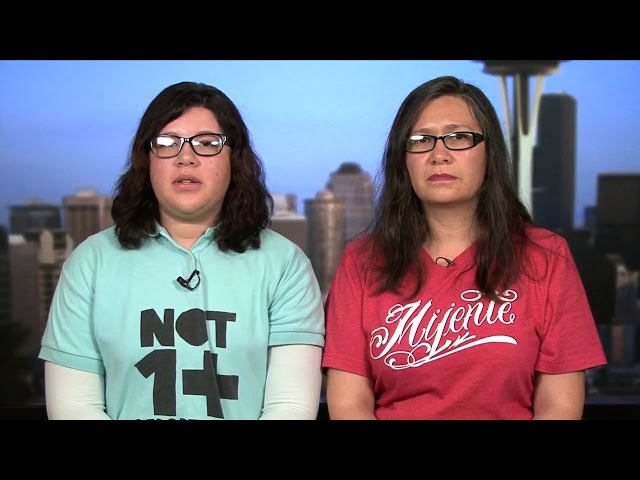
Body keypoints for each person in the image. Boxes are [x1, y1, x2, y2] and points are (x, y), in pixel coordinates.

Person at [322, 75, 607, 420]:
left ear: (489, 152)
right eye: (421, 140)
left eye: (458, 137)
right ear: (403, 158)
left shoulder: (546, 257)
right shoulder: (361, 262)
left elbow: (559, 405)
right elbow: (350, 404)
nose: (439, 155)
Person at [39, 81, 325, 420]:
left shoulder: (284, 264)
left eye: (207, 143)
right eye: (167, 143)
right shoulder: (91, 263)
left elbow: (290, 407)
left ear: (234, 158)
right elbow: (74, 407)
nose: (185, 157)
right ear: (147, 159)